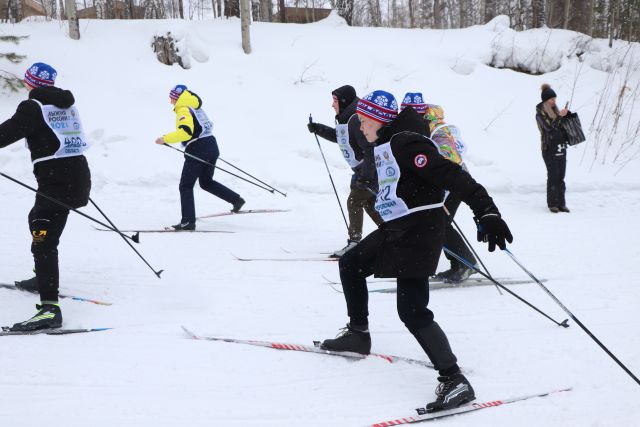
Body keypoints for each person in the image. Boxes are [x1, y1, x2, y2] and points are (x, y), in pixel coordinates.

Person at [320, 90, 513, 412]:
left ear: (378, 120)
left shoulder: (408, 142)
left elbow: (455, 175)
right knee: (351, 262)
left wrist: (487, 212)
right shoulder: (384, 143)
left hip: (420, 230)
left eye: (364, 122)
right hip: (399, 225)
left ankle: (454, 380)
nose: (361, 128)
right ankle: (358, 333)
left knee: (412, 311)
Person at [0, 62, 92, 331]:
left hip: (57, 179)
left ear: (30, 82)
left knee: (43, 239)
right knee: (37, 222)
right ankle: (42, 278)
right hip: (75, 174)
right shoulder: (65, 103)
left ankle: (50, 309)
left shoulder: (34, 107)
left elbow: (5, 133)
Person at [404, 97, 477, 283]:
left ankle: (467, 263)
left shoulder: (438, 130)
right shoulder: (417, 127)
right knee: (438, 224)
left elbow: (449, 161)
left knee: (441, 223)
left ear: (421, 113)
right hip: (441, 183)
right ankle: (458, 264)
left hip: (454, 182)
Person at [307, 85, 384, 258]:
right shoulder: (346, 118)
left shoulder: (356, 119)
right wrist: (319, 129)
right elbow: (341, 137)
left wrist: (366, 176)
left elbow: (370, 149)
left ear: (343, 101)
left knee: (354, 201)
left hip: (369, 170)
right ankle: (392, 236)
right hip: (363, 170)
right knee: (370, 203)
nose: (332, 105)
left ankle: (355, 242)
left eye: (335, 101)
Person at [156, 85, 245, 230]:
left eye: (171, 97)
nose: (170, 100)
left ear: (177, 97)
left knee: (185, 185)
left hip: (198, 149)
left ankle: (188, 221)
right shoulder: (194, 107)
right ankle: (236, 200)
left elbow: (185, 132)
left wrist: (164, 139)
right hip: (211, 145)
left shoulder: (183, 109)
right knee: (206, 182)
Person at [536, 84, 570, 213]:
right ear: (545, 100)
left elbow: (562, 127)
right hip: (548, 148)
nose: (554, 102)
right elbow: (549, 129)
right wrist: (560, 117)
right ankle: (552, 204)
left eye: (555, 99)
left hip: (561, 147)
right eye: (551, 99)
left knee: (561, 177)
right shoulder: (539, 114)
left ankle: (562, 204)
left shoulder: (556, 111)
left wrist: (566, 116)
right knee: (553, 176)